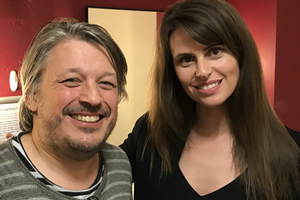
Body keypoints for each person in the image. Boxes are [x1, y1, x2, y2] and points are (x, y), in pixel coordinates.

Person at [119, 0, 300, 199]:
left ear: (240, 56)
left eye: (214, 51)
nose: (202, 71)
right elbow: (92, 169)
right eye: (186, 59)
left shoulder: (293, 152)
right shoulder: (150, 133)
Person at [0, 18, 132, 200]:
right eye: (71, 80)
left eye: (106, 83)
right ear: (31, 95)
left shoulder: (120, 164)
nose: (93, 98)